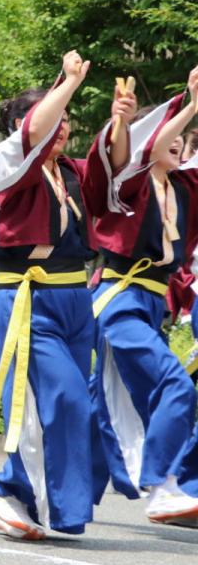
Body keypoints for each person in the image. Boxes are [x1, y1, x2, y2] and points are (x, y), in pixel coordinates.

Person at [0, 51, 102, 540]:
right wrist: (67, 83)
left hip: (75, 298)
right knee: (55, 400)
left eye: (68, 119)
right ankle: (7, 490)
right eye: (58, 113)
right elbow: (35, 132)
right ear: (21, 124)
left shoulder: (70, 171)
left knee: (76, 406)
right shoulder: (7, 162)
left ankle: (42, 503)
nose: (65, 125)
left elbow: (119, 165)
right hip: (29, 299)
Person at [87, 68, 198, 524]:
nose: (176, 144)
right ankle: (162, 486)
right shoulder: (128, 187)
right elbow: (141, 149)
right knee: (174, 386)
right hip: (119, 299)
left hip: (151, 306)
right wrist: (190, 103)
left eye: (183, 140)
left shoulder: (186, 188)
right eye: (169, 137)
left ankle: (61, 495)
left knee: (104, 404)